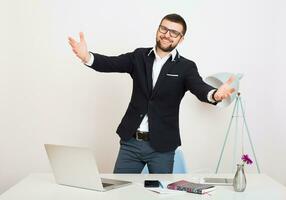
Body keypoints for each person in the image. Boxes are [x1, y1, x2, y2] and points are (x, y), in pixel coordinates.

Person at [68, 13, 235, 174]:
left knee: (161, 193)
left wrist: (214, 94)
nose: (167, 35)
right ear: (158, 30)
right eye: (164, 29)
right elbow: (111, 63)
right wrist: (87, 57)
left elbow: (199, 88)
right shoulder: (139, 56)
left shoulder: (186, 67)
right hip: (130, 143)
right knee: (120, 192)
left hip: (162, 146)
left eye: (174, 32)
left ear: (181, 38)